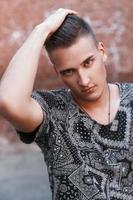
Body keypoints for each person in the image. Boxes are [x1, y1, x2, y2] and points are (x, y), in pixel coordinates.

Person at [0, 8, 133, 200]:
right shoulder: (53, 111)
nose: (84, 80)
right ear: (57, 72)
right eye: (69, 71)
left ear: (102, 52)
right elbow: (8, 101)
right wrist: (42, 30)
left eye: (88, 62)